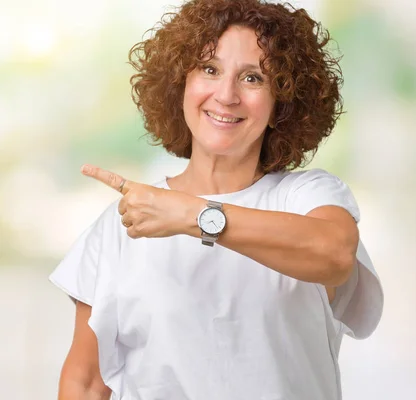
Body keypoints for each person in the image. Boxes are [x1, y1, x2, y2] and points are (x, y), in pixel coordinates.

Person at [49, 0, 384, 399]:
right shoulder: (125, 222)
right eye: (210, 69)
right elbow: (86, 383)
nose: (226, 95)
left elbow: (334, 256)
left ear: (283, 101)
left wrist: (194, 215)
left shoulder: (306, 197)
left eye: (253, 78)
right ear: (181, 84)